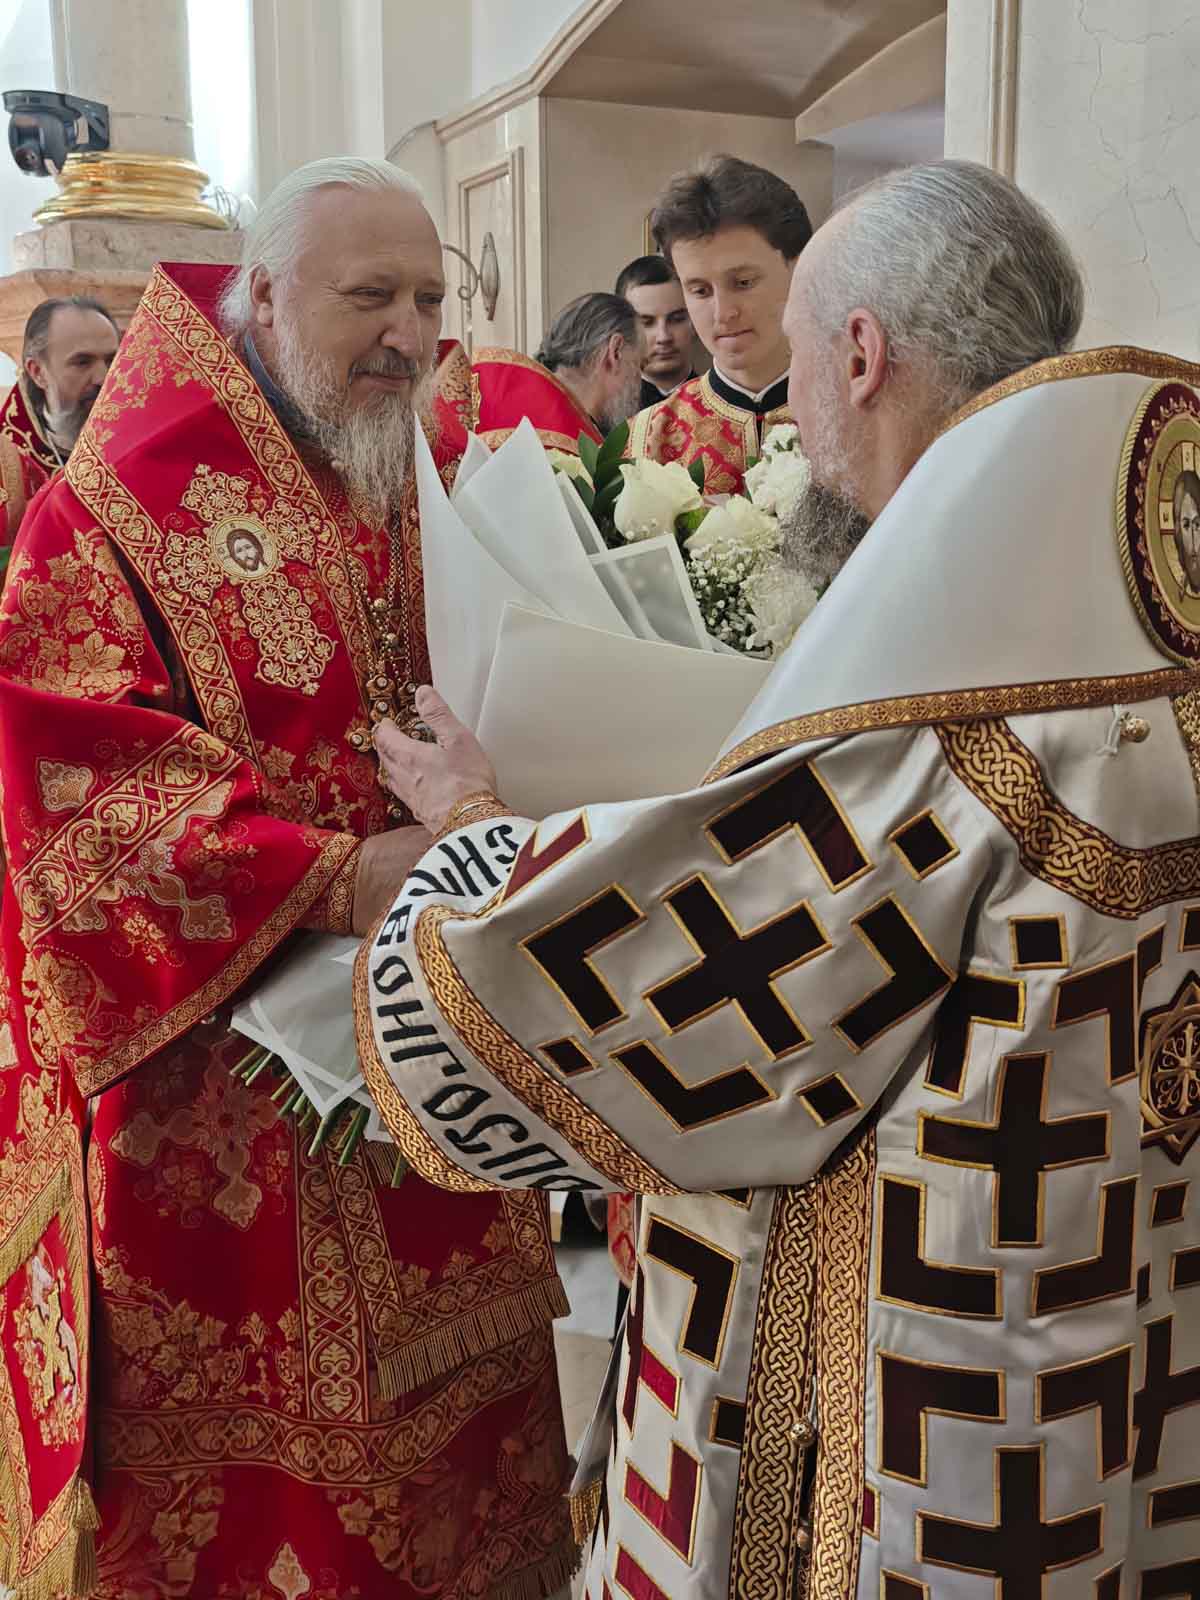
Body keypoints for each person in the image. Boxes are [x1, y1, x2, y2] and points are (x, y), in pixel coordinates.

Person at [359, 159, 1200, 1598]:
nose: (794, 408)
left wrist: (472, 836)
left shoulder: (942, 709)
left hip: (925, 1376)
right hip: (1109, 1343)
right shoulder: (1134, 615)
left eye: (802, 348)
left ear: (861, 356)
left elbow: (680, 987)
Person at [0, 157, 574, 1600]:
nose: (409, 334)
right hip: (231, 1125)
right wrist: (336, 876)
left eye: (430, 299)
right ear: (258, 294)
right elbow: (69, 798)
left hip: (441, 1060)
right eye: (371, 295)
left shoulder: (410, 467)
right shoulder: (111, 510)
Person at [629, 153, 812, 495]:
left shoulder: (860, 421)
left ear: (799, 269)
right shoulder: (646, 441)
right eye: (699, 290)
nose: (722, 313)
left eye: (743, 282)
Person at [0, 295, 119, 544]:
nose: (103, 377)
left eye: (111, 360)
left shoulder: (143, 440)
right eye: (82, 362)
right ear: (38, 373)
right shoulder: (7, 467)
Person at [469, 292, 644, 453]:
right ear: (615, 351)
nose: (640, 385)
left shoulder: (493, 390)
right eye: (639, 366)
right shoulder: (578, 452)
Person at [615, 255, 696, 411]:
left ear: (694, 321)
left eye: (677, 319)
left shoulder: (728, 409)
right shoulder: (599, 417)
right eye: (646, 323)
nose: (663, 337)